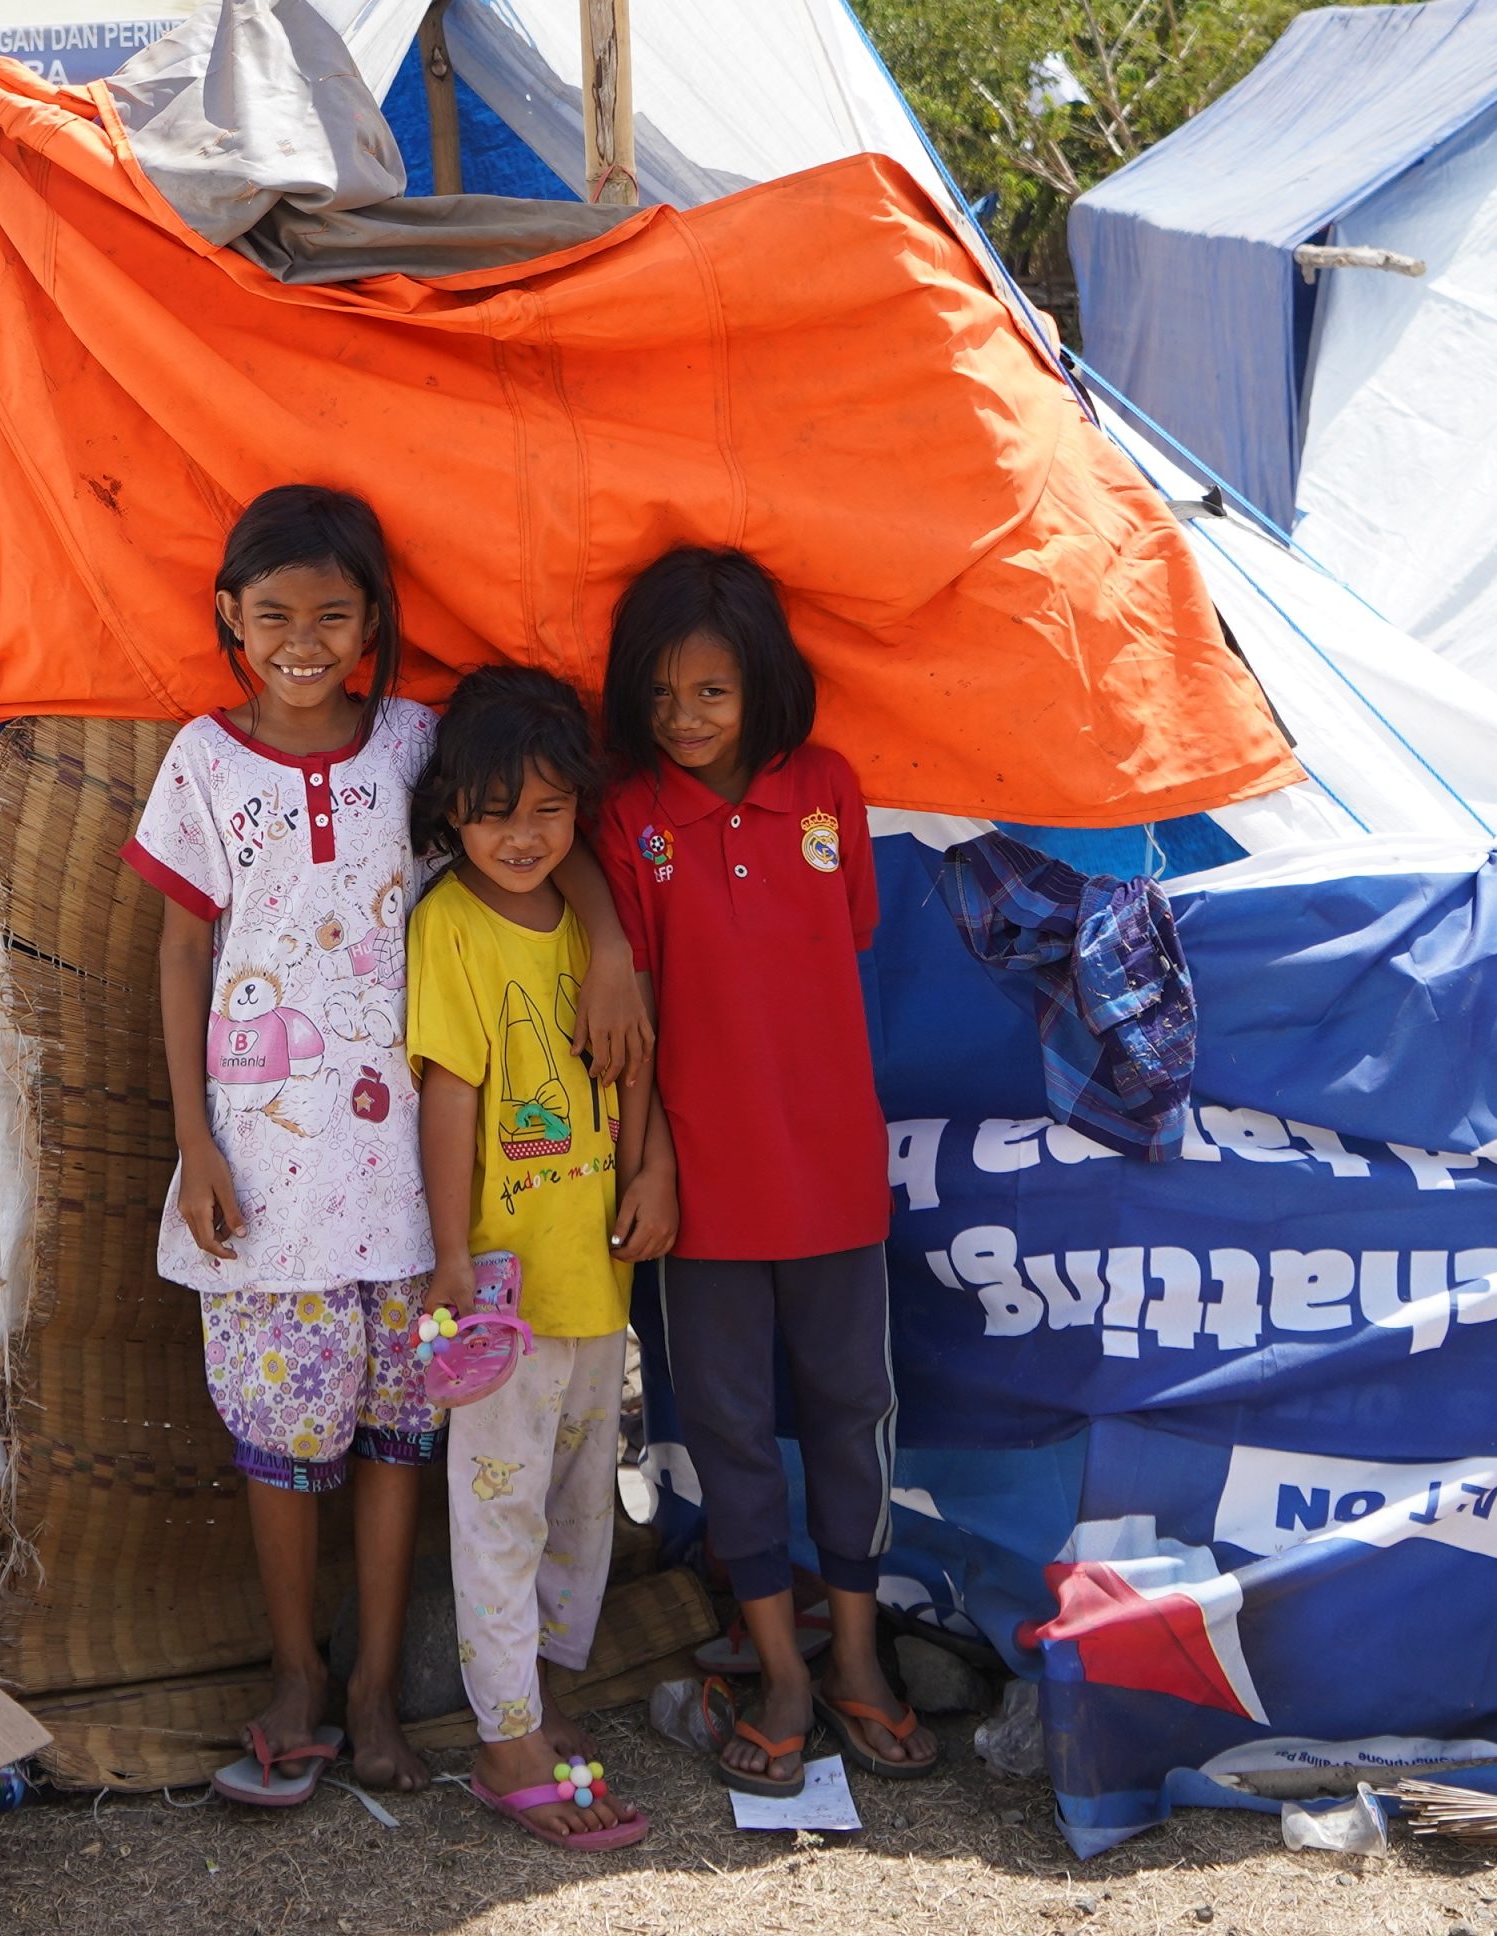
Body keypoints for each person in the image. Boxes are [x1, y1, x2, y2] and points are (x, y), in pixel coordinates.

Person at [131, 486, 648, 1803]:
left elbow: (531, 826)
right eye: (275, 615)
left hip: (411, 1192)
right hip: (260, 1174)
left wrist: (616, 953)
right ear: (230, 619)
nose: (304, 639)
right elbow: (183, 946)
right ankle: (296, 1673)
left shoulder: (411, 744)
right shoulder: (203, 759)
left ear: (373, 622)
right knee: (281, 1438)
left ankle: (373, 1697)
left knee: (396, 1438)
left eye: (334, 614)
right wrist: (195, 1140)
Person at [588, 544, 941, 1791]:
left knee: (851, 1411)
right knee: (729, 1425)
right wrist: (655, 1164)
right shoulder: (630, 819)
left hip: (836, 1169)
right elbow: (637, 1001)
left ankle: (858, 1656)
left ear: (765, 689)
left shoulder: (830, 791)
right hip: (703, 1192)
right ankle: (781, 1665)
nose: (685, 720)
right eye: (663, 696)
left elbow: (839, 948)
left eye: (714, 694)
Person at [406, 666, 669, 1853]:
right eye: (498, 809)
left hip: (594, 1272)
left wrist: (650, 1161)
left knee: (579, 1512)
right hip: (504, 1288)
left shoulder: (587, 928)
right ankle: (503, 1734)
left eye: (551, 810)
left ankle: (544, 1690)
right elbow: (450, 1089)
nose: (525, 835)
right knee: (499, 1511)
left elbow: (633, 1063)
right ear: (451, 808)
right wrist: (451, 1251)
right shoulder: (451, 923)